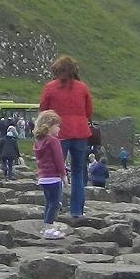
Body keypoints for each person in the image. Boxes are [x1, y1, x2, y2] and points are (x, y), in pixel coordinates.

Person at [39, 55, 96, 221]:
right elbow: (89, 111)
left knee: (55, 170)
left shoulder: (50, 88)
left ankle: (53, 207)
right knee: (78, 171)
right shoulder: (82, 87)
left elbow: (43, 111)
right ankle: (77, 210)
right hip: (80, 132)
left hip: (59, 134)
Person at [35, 110, 67, 240]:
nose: (59, 128)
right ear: (49, 125)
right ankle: (49, 229)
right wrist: (63, 175)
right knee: (54, 203)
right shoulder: (53, 141)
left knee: (48, 203)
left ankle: (47, 227)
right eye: (57, 125)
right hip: (53, 177)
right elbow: (59, 160)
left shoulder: (39, 142)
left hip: (43, 178)